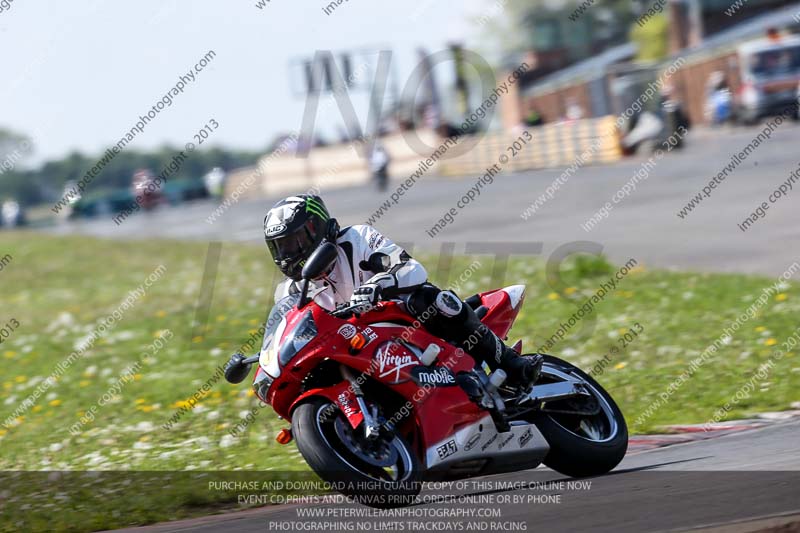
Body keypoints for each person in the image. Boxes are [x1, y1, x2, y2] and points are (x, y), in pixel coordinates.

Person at [263, 194, 542, 387]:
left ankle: (511, 363)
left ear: (319, 227)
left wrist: (377, 285)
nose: (289, 254)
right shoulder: (290, 292)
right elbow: (286, 335)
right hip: (354, 348)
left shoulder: (357, 239)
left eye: (295, 241)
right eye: (280, 247)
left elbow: (411, 268)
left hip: (402, 322)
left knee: (432, 299)